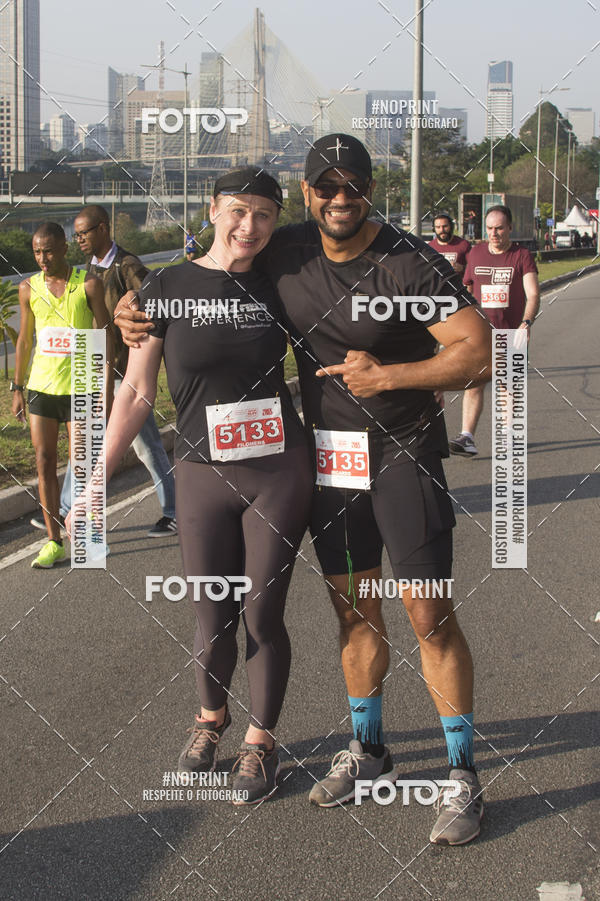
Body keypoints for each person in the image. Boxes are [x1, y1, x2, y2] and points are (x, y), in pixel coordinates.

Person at [117, 135, 492, 844]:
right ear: (309, 192)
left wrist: (390, 376)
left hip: (404, 452)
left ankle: (463, 776)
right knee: (355, 614)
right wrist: (132, 310)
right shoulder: (286, 249)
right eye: (327, 187)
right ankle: (371, 748)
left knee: (428, 617)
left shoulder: (409, 261)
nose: (341, 199)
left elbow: (478, 354)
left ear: (371, 190)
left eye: (354, 187)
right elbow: (201, 275)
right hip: (333, 460)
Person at [67, 168, 312, 805]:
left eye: (264, 214)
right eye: (237, 211)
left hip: (277, 470)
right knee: (211, 616)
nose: (248, 226)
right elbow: (138, 391)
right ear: (211, 210)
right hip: (202, 475)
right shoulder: (165, 288)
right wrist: (94, 482)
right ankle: (210, 720)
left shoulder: (281, 284)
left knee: (262, 612)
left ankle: (260, 738)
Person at [30, 205, 177, 537]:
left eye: (85, 232)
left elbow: (151, 298)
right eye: (77, 234)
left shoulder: (126, 265)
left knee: (147, 445)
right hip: (95, 371)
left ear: (103, 229)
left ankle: (173, 510)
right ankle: (66, 508)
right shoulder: (87, 269)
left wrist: (134, 307)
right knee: (87, 441)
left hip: (126, 373)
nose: (80, 238)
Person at [12, 222, 114, 568]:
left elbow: (105, 334)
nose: (43, 258)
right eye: (38, 252)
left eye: (49, 251)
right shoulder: (28, 288)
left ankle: (89, 536)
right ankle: (54, 541)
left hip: (83, 384)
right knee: (43, 463)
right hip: (42, 386)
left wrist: (106, 386)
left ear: (65, 249)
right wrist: (17, 387)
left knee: (83, 465)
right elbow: (25, 340)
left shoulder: (87, 285)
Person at [450, 204, 540, 457]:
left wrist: (526, 322)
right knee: (473, 384)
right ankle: (467, 436)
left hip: (511, 333)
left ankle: (510, 435)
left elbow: (533, 294)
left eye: (500, 228)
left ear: (510, 228)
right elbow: (467, 292)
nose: (494, 233)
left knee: (507, 386)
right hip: (479, 334)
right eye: (490, 228)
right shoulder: (475, 254)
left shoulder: (521, 255)